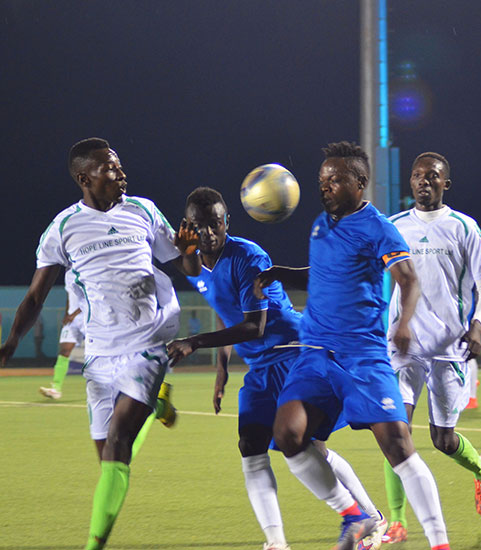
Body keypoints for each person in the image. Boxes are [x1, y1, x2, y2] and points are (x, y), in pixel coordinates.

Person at [0, 138, 199, 550]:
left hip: (149, 341)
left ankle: (93, 546)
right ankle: (157, 402)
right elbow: (36, 296)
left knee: (117, 441)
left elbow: (181, 263)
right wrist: (10, 342)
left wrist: (191, 253)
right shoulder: (63, 228)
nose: (121, 173)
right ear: (84, 178)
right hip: (100, 352)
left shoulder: (142, 210)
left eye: (120, 166)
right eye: (110, 168)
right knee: (109, 456)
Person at [166, 187, 385, 550]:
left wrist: (197, 342)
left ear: (226, 222)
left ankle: (365, 518)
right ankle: (277, 542)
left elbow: (255, 325)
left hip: (293, 352)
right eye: (200, 226)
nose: (209, 232)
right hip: (259, 365)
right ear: (189, 227)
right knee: (251, 444)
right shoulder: (195, 265)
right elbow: (225, 307)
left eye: (215, 223)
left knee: (307, 446)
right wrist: (222, 368)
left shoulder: (248, 256)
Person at [255, 141, 450, 550]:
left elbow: (409, 278)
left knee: (398, 445)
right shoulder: (320, 224)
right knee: (288, 435)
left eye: (336, 179)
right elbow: (327, 271)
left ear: (360, 183)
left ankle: (439, 542)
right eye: (323, 180)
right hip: (314, 354)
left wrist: (405, 324)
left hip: (361, 355)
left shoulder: (378, 227)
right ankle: (355, 516)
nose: (326, 186)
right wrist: (282, 272)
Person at [380, 151, 481, 544]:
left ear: (446, 183)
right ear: (410, 182)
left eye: (433, 176)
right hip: (404, 344)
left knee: (442, 440)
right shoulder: (393, 227)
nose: (423, 181)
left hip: (450, 347)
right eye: (417, 175)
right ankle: (396, 521)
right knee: (394, 431)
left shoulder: (464, 227)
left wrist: (477, 327)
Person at [39, 272, 86, 399]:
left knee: (101, 352)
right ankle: (56, 388)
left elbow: (91, 297)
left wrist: (73, 314)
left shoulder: (86, 269)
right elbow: (68, 296)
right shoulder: (68, 274)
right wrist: (67, 314)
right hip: (72, 320)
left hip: (88, 317)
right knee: (64, 351)